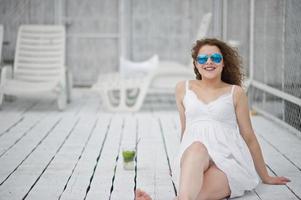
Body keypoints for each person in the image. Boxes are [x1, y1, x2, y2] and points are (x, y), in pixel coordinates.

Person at [135, 38, 290, 200]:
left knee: (191, 197)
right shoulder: (183, 88)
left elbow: (249, 137)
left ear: (223, 63)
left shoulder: (235, 92)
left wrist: (266, 176)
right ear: (195, 64)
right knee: (196, 147)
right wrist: (181, 162)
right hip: (195, 158)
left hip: (227, 162)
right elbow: (185, 130)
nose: (209, 62)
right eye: (202, 59)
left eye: (215, 58)